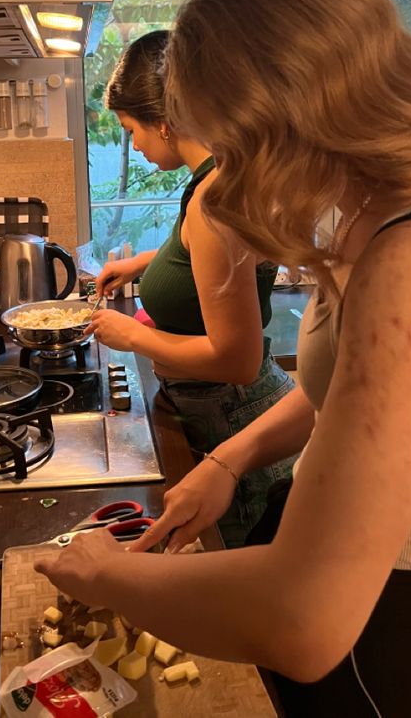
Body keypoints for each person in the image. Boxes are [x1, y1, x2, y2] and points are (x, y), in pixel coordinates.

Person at [36, 0, 411, 717]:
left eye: (230, 141)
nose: (229, 171)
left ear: (282, 113)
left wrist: (107, 575)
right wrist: (228, 458)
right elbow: (351, 398)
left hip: (392, 650)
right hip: (374, 617)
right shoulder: (379, 215)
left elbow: (306, 617)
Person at [88, 30, 295, 546]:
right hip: (226, 412)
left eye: (131, 128)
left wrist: (130, 335)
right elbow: (208, 255)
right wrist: (144, 261)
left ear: (164, 120)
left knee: (246, 591)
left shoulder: (213, 200)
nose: (133, 145)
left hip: (236, 415)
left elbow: (237, 360)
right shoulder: (220, 175)